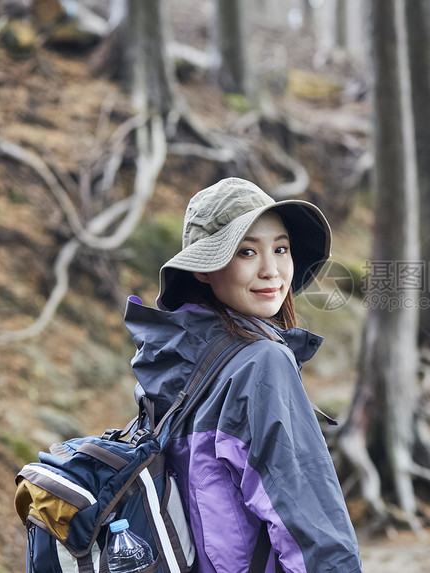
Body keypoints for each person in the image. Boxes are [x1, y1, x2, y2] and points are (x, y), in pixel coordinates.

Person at [123, 177, 363, 572]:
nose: (272, 270)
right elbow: (309, 525)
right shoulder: (261, 364)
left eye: (281, 249)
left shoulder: (171, 358)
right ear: (204, 270)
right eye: (247, 252)